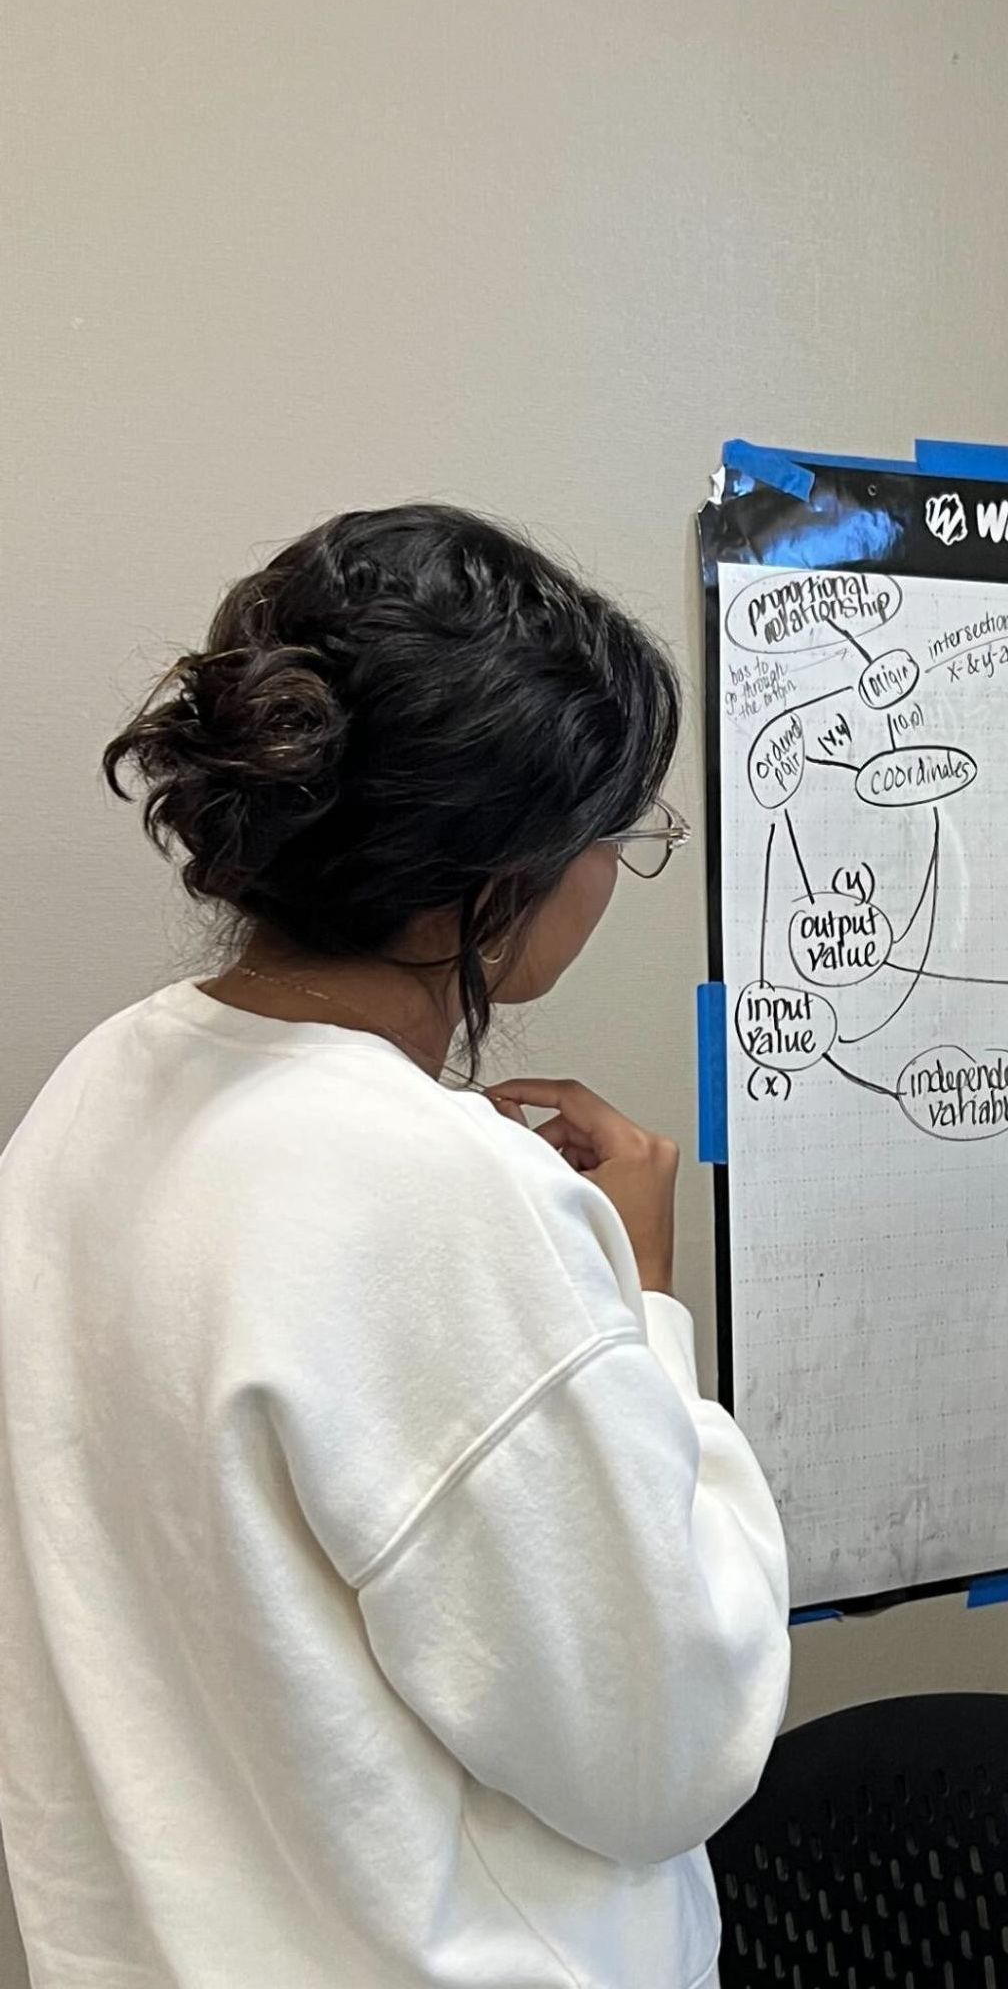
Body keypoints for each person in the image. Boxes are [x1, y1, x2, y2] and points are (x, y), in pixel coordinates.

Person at [0, 506, 791, 1989]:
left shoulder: (93, 1095)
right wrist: (639, 1306)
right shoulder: (435, 1197)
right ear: (496, 878)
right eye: (614, 832)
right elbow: (669, 1741)